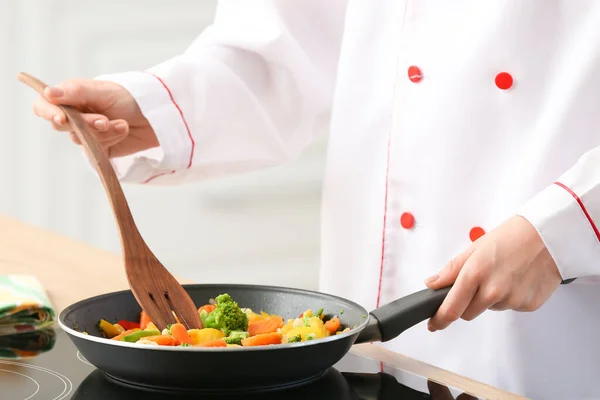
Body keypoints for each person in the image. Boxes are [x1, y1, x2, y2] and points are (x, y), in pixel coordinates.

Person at [31, 2, 600, 399]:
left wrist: (566, 227)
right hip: (369, 328)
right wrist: (152, 109)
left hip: (551, 330)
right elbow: (281, 50)